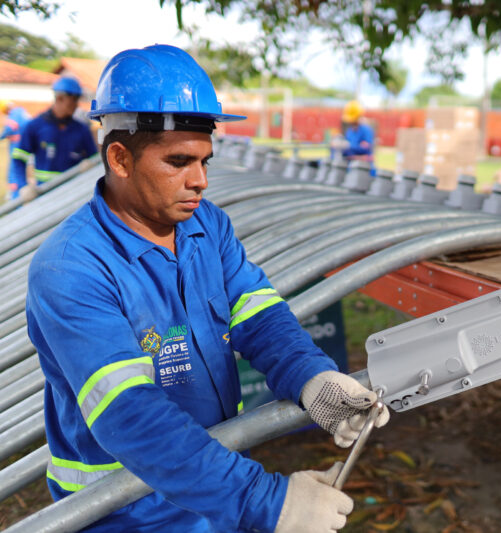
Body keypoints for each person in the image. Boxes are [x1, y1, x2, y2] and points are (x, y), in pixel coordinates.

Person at [26, 44, 388, 532]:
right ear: (120, 158)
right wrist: (268, 503)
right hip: (125, 511)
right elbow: (132, 416)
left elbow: (256, 314)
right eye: (178, 161)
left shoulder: (206, 227)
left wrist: (310, 376)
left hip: (210, 483)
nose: (199, 181)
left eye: (205, 162)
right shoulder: (71, 269)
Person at [11, 75, 97, 188]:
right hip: (45, 194)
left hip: (73, 192)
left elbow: (94, 159)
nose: (77, 104)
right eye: (74, 100)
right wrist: (24, 187)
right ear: (60, 98)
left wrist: (90, 165)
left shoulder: (82, 130)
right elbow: (18, 159)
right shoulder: (35, 126)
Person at [331, 100, 375, 171]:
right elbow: (347, 151)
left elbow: (365, 148)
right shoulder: (350, 131)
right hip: (351, 167)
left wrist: (349, 146)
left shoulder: (366, 130)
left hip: (364, 168)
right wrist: (340, 145)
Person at [0, 100, 31, 200]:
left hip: (17, 146)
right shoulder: (21, 111)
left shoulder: (15, 113)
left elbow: (9, 128)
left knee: (14, 171)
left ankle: (15, 197)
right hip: (24, 145)